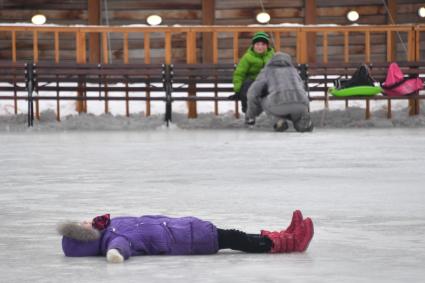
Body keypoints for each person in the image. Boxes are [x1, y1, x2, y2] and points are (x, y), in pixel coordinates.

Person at [57, 210, 314, 263]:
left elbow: (144, 219)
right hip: (189, 239)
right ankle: (287, 243)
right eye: (82, 226)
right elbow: (120, 248)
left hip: (185, 228)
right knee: (236, 239)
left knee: (235, 235)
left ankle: (283, 235)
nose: (85, 221)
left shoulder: (112, 226)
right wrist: (115, 255)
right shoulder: (113, 239)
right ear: (88, 237)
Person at [245, 52, 314, 132]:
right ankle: (302, 123)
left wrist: (251, 115)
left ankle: (278, 121)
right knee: (297, 113)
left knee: (263, 99)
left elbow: (252, 93)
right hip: (301, 104)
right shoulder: (293, 71)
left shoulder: (267, 71)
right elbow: (302, 87)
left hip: (278, 105)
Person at [230, 31, 275, 113]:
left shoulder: (272, 56)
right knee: (247, 87)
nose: (260, 47)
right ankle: (248, 111)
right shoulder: (248, 57)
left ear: (267, 46)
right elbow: (239, 73)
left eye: (263, 44)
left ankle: (277, 115)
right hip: (252, 81)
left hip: (266, 82)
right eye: (257, 44)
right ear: (253, 45)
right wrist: (237, 90)